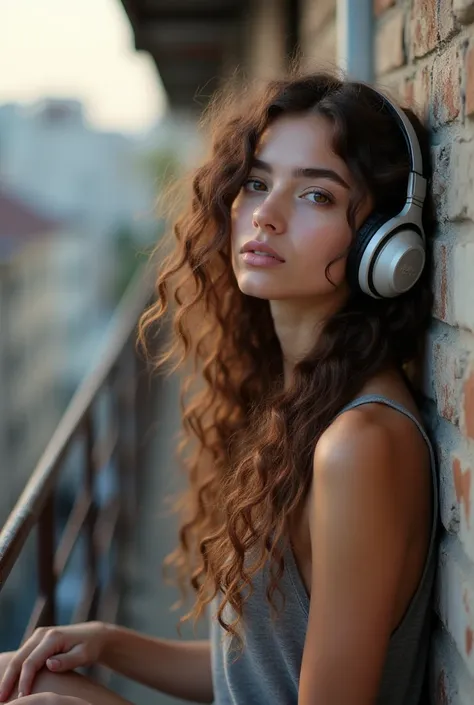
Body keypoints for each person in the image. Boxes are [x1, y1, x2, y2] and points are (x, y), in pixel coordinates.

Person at [0, 71, 438, 705]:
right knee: (22, 674)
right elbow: (261, 677)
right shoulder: (302, 402)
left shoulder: (360, 444)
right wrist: (108, 643)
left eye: (316, 196)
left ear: (384, 244)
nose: (267, 214)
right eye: (257, 184)